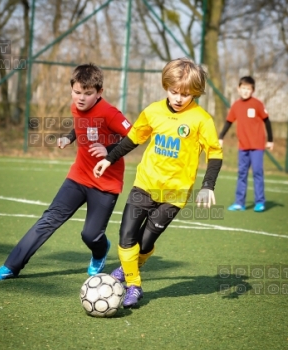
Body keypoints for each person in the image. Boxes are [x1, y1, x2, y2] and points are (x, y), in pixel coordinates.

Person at [93, 57, 223, 308]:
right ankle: (134, 285)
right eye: (174, 91)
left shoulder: (201, 119)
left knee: (147, 241)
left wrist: (208, 185)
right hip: (145, 184)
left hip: (175, 194)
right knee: (126, 236)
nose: (178, 98)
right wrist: (109, 159)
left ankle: (127, 269)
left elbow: (214, 153)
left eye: (185, 94)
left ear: (195, 93)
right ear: (166, 86)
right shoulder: (152, 111)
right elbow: (133, 138)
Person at [0, 63, 132, 281]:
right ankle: (11, 265)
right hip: (78, 177)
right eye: (76, 92)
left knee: (91, 235)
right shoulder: (76, 106)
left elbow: (135, 136)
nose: (81, 98)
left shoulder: (110, 113)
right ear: (72, 89)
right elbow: (81, 124)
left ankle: (100, 250)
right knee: (49, 219)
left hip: (105, 183)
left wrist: (109, 151)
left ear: (99, 92)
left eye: (87, 93)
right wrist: (69, 137)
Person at [219, 76, 274, 212]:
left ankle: (260, 202)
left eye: (248, 89)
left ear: (252, 90)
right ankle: (239, 202)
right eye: (243, 88)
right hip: (243, 146)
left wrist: (270, 140)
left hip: (257, 146)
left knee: (257, 172)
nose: (245, 91)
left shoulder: (257, 104)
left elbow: (267, 121)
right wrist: (221, 137)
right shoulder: (236, 105)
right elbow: (228, 122)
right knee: (242, 173)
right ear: (238, 89)